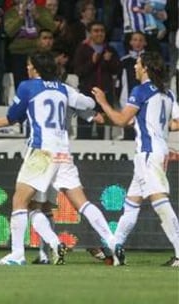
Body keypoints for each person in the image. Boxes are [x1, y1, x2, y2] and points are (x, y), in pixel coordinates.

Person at [0, 52, 119, 265]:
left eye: (29, 65)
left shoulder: (27, 87)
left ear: (35, 68)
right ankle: (112, 241)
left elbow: (11, 119)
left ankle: (18, 254)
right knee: (81, 203)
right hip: (63, 152)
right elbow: (89, 104)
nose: (27, 68)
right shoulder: (65, 89)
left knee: (21, 201)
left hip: (42, 152)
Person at [91, 51, 179, 267]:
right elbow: (176, 123)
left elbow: (121, 120)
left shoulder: (140, 91)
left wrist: (103, 102)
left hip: (149, 154)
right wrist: (155, 127)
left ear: (146, 67)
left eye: (138, 64)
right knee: (131, 204)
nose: (135, 67)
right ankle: (114, 248)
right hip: (155, 152)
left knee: (160, 202)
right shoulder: (167, 93)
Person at [73, 21, 121, 139]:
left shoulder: (110, 50)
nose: (99, 33)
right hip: (87, 94)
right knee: (84, 126)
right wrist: (92, 62)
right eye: (96, 31)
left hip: (105, 94)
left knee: (104, 127)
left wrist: (109, 61)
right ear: (89, 33)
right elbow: (78, 72)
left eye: (102, 31)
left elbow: (117, 70)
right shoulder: (82, 49)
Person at [119, 31, 147, 140]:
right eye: (135, 40)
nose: (138, 43)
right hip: (129, 98)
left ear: (145, 43)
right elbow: (122, 82)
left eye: (141, 40)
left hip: (146, 99)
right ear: (130, 42)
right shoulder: (125, 60)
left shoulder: (149, 60)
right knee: (129, 128)